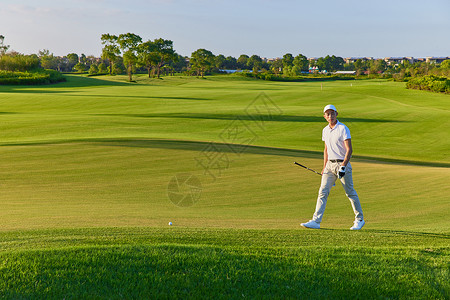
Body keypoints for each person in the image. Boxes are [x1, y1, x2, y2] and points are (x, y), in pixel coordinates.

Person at [301, 104, 365, 230]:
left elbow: (349, 150)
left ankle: (359, 219)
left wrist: (343, 166)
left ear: (336, 114)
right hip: (329, 165)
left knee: (350, 193)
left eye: (332, 113)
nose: (330, 116)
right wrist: (324, 167)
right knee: (322, 192)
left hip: (342, 164)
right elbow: (326, 150)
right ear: (324, 116)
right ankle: (316, 221)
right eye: (328, 114)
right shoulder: (325, 130)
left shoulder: (343, 128)